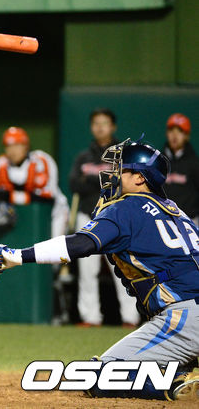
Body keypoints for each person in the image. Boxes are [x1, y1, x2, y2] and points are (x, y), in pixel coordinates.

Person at [0, 138, 199, 400]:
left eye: (121, 170)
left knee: (99, 377)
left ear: (140, 178)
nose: (112, 175)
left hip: (184, 318)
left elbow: (80, 244)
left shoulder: (127, 207)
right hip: (189, 313)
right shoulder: (176, 211)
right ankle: (181, 371)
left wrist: (14, 256)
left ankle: (176, 386)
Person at [69, 109, 139, 327]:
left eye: (104, 123)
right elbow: (74, 184)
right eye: (96, 123)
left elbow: (127, 184)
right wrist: (105, 180)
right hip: (88, 216)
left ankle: (130, 317)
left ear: (113, 127)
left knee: (124, 268)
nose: (100, 127)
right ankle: (90, 317)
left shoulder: (124, 154)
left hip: (117, 216)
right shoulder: (83, 156)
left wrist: (92, 179)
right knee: (87, 270)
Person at [0, 126, 68, 238]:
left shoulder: (41, 161)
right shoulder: (1, 163)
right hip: (23, 217)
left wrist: (12, 197)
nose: (12, 151)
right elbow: (0, 194)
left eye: (17, 145)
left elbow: (48, 197)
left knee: (55, 246)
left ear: (26, 146)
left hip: (55, 213)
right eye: (8, 146)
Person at [163, 113, 199, 225]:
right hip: (163, 219)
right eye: (171, 131)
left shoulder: (194, 163)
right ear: (167, 133)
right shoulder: (160, 161)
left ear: (187, 136)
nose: (175, 135)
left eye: (180, 131)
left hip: (189, 220)